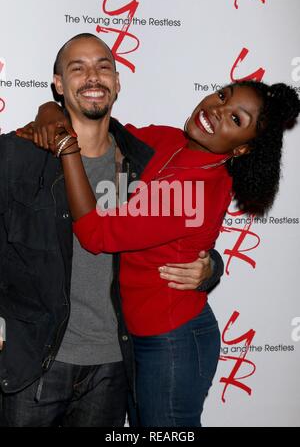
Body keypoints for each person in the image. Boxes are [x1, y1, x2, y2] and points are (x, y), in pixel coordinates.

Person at [17, 33, 300, 426]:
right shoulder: (168, 140)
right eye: (223, 97)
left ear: (242, 149)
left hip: (171, 342)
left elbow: (97, 234)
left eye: (237, 119)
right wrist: (49, 110)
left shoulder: (198, 193)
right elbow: (101, 123)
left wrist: (65, 147)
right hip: (134, 338)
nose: (218, 111)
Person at [0, 33, 224, 427]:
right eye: (78, 68)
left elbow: (187, 228)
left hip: (114, 367)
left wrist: (211, 267)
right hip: (35, 363)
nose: (93, 77)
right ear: (58, 85)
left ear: (118, 82)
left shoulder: (147, 159)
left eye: (103, 67)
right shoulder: (17, 154)